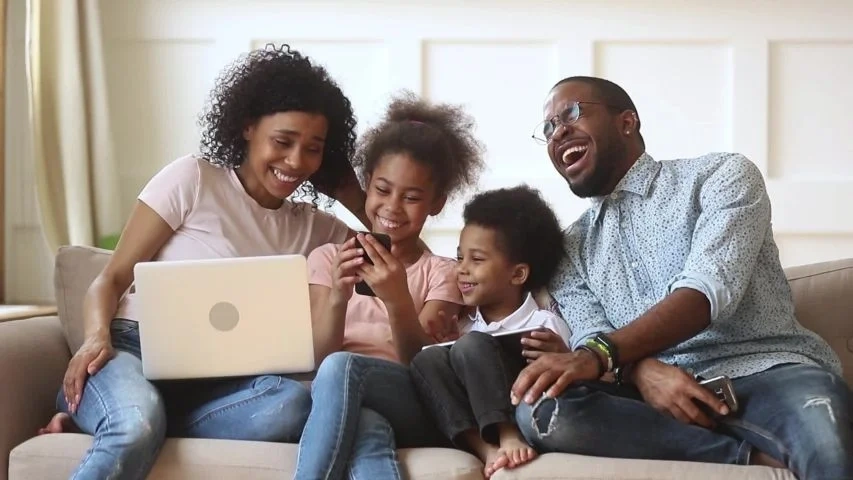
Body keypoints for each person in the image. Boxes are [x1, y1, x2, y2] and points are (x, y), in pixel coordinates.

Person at [37, 44, 369, 480]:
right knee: (136, 421)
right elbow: (111, 278)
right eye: (283, 142)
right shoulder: (194, 179)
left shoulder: (316, 228)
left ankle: (121, 421)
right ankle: (125, 415)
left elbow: (400, 251)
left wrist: (350, 193)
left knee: (292, 403)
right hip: (133, 351)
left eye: (313, 149)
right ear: (247, 126)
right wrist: (95, 338)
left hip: (220, 388)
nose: (295, 161)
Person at [510, 75, 853, 479]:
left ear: (627, 122)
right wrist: (641, 371)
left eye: (572, 113)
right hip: (648, 401)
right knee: (541, 409)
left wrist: (599, 356)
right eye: (549, 127)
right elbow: (592, 333)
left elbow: (706, 292)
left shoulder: (721, 175)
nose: (558, 132)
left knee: (827, 441)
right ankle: (750, 459)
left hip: (768, 375)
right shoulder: (568, 248)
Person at [293, 92, 485, 479]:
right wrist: (338, 297)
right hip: (340, 399)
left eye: (411, 197)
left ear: (436, 203)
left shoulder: (442, 273)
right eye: (382, 190)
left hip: (413, 399)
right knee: (365, 424)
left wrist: (398, 300)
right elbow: (315, 360)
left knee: (343, 367)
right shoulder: (327, 259)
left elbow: (424, 366)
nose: (393, 207)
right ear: (367, 186)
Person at [410, 185, 571, 478]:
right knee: (427, 358)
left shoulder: (545, 323)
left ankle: (509, 434)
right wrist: (449, 350)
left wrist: (563, 356)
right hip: (473, 418)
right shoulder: (462, 327)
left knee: (472, 345)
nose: (462, 269)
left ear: (517, 274)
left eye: (477, 260)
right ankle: (485, 449)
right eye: (460, 258)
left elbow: (573, 382)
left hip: (521, 409)